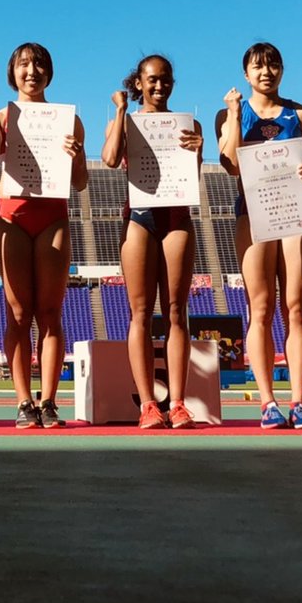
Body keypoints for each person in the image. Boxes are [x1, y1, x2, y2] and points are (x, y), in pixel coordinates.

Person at [0, 43, 88, 428]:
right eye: (24, 64)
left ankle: (50, 400)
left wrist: (75, 157)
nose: (32, 71)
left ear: (49, 72)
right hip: (13, 215)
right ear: (13, 72)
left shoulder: (68, 119)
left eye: (39, 63)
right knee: (19, 314)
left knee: (51, 313)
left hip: (52, 214)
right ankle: (24, 400)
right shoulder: (5, 114)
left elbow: (82, 182)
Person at [216, 42, 302, 430]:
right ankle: (267, 402)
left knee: (296, 308)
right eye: (258, 67)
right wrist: (231, 112)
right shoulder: (230, 112)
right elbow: (229, 164)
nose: (266, 72)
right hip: (253, 212)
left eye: (273, 65)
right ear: (246, 73)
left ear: (282, 70)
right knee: (259, 308)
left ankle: (299, 401)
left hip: (295, 211)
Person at [102, 55, 203, 429]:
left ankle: (177, 403)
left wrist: (197, 151)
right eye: (152, 80)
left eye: (165, 80)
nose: (159, 86)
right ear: (138, 83)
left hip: (176, 217)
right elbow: (111, 159)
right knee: (140, 314)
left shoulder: (187, 124)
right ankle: (147, 404)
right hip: (140, 218)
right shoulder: (127, 120)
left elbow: (192, 179)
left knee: (177, 312)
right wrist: (119, 112)